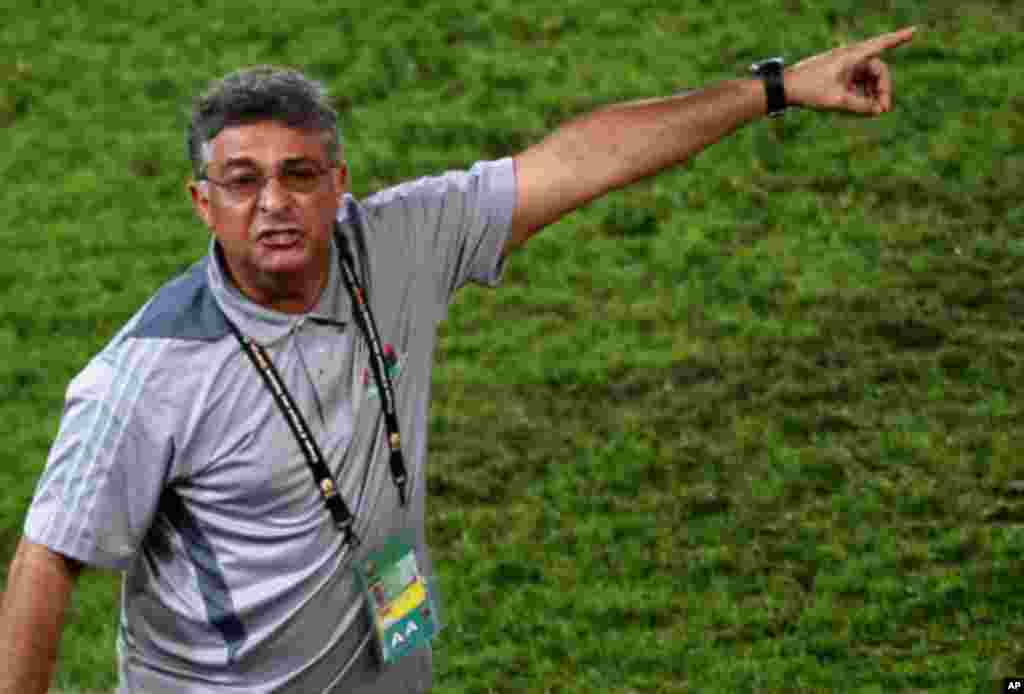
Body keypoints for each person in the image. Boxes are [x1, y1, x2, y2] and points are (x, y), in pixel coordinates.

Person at [0, 26, 917, 694]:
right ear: (204, 203)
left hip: (393, 657)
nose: (274, 203)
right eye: (243, 182)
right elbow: (46, 561)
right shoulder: (146, 374)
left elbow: (581, 160)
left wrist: (776, 88)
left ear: (338, 184)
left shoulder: (401, 242)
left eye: (300, 174)